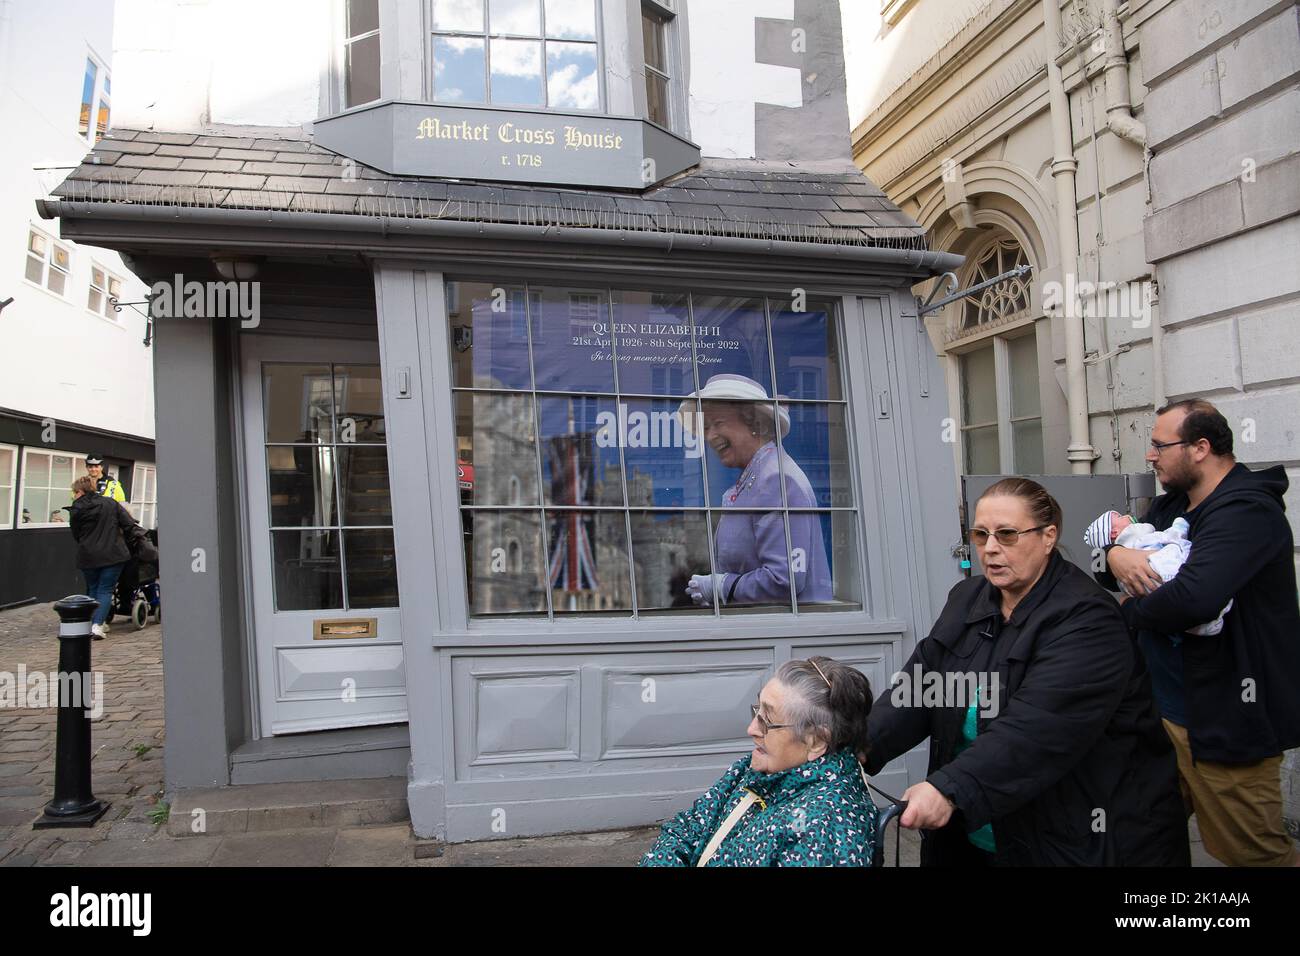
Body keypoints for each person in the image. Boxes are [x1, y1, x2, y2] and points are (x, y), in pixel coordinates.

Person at [864, 477, 1188, 866]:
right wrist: (859, 747)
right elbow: (920, 688)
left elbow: (1036, 728)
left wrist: (948, 789)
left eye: (1007, 534)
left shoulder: (1089, 620)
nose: (990, 548)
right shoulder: (967, 598)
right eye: (981, 535)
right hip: (976, 831)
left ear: (1048, 537)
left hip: (1080, 837)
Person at [1096, 398, 1300, 867]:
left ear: (1201, 447)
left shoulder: (1247, 512)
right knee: (1146, 840)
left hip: (1226, 721)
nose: (1150, 456)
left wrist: (1129, 609)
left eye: (1159, 445)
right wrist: (1115, 556)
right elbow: (1111, 563)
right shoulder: (1173, 504)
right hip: (1163, 712)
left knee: (1254, 855)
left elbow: (1193, 599)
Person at [640, 657, 878, 866]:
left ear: (816, 740)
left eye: (767, 721)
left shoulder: (827, 828)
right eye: (758, 712)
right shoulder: (760, 769)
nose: (751, 729)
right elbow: (688, 828)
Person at [676, 374, 831, 607]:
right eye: (706, 427)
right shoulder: (758, 477)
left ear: (756, 424)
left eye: (718, 423)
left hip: (782, 628)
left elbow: (784, 580)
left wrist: (722, 587)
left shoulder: (777, 480)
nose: (709, 436)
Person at [1084, 511, 1230, 634]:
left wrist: (1127, 607)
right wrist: (1112, 553)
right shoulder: (1159, 510)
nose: (1126, 515)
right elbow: (1098, 567)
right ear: (1114, 532)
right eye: (1120, 517)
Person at [68, 475, 141, 639]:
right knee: (105, 589)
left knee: (93, 589)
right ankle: (98, 625)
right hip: (113, 554)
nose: (74, 495)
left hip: (88, 555)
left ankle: (95, 622)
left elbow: (76, 533)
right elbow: (128, 524)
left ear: (80, 491)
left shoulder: (76, 508)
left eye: (74, 492)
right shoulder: (110, 503)